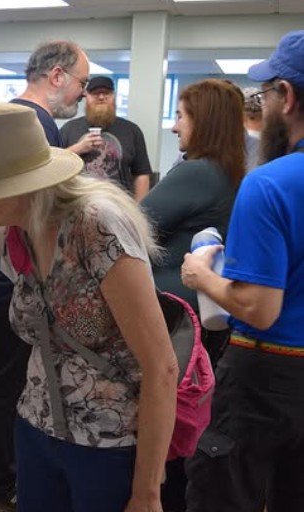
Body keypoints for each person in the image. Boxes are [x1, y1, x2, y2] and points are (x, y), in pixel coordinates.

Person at [0, 103, 178, 512]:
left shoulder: (97, 225)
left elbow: (161, 366)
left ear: (13, 183)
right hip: (37, 431)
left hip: (108, 443)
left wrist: (147, 491)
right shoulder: (17, 233)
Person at [180, 30, 304, 512]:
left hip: (266, 374)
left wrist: (201, 275)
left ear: (287, 97)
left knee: (224, 493)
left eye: (266, 94)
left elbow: (259, 306)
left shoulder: (270, 184)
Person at [0, 40, 90, 512]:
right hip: (12, 276)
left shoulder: (20, 120)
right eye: (80, 83)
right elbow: (19, 218)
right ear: (56, 76)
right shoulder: (35, 125)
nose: (81, 94)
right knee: (6, 383)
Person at [142, 79, 246, 512]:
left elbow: (132, 223)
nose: (173, 127)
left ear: (202, 121)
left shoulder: (198, 171)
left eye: (180, 116)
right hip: (198, 324)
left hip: (174, 323)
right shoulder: (229, 172)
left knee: (163, 424)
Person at [60, 76, 153, 200]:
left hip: (120, 208)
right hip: (78, 207)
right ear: (86, 96)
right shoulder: (69, 129)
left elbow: (141, 174)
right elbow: (55, 164)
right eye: (95, 93)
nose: (101, 97)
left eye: (106, 93)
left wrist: (138, 210)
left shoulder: (132, 131)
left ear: (114, 96)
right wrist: (79, 148)